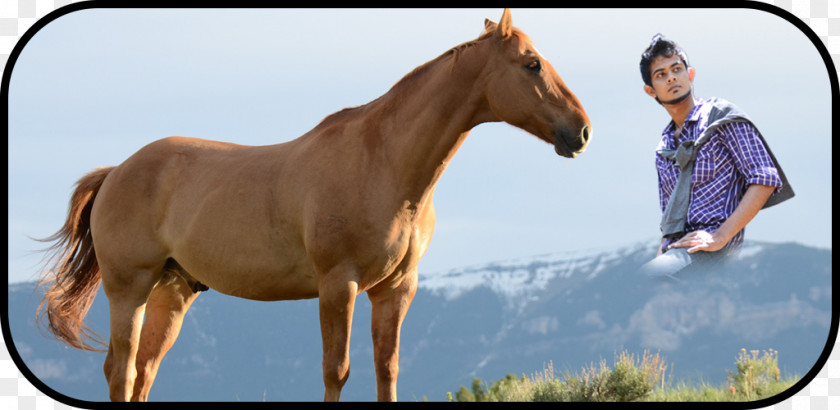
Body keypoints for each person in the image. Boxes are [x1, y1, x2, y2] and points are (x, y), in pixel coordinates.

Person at [637, 34, 793, 280]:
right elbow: (669, 220)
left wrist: (720, 236)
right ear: (650, 90)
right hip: (675, 252)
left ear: (690, 75)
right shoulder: (664, 148)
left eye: (676, 69)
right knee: (640, 285)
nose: (671, 78)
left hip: (712, 248)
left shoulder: (721, 117)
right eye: (661, 75)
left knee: (644, 279)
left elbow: (765, 177)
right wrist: (659, 261)